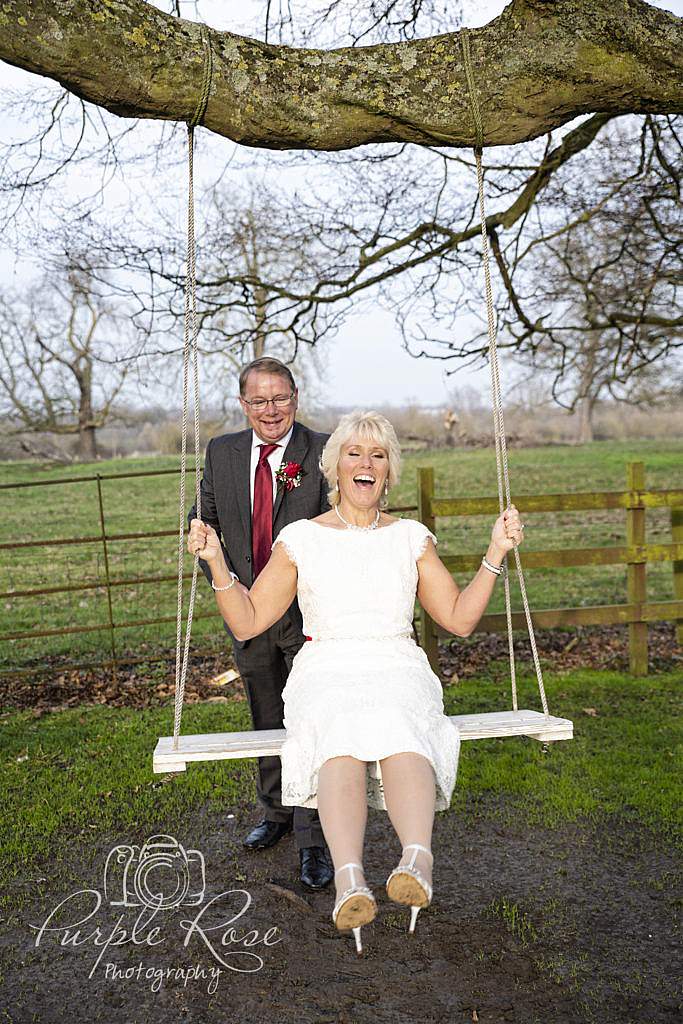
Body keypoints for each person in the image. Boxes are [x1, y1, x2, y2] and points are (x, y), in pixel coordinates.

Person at [188, 410, 525, 954]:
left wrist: (496, 553)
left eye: (378, 455)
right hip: (326, 664)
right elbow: (249, 621)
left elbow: (459, 619)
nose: (365, 463)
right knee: (338, 730)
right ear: (333, 468)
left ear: (389, 472)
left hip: (395, 658)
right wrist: (217, 561)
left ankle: (416, 859)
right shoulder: (301, 539)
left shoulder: (412, 538)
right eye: (354, 453)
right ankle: (350, 879)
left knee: (402, 722)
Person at [188, 356, 333, 891]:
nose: (270, 410)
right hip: (247, 610)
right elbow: (205, 518)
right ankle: (274, 813)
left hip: (310, 612)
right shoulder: (221, 452)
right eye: (259, 400)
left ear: (296, 399)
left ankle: (312, 837)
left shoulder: (322, 451)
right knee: (266, 715)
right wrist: (208, 554)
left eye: (280, 398)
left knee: (310, 720)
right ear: (243, 404)